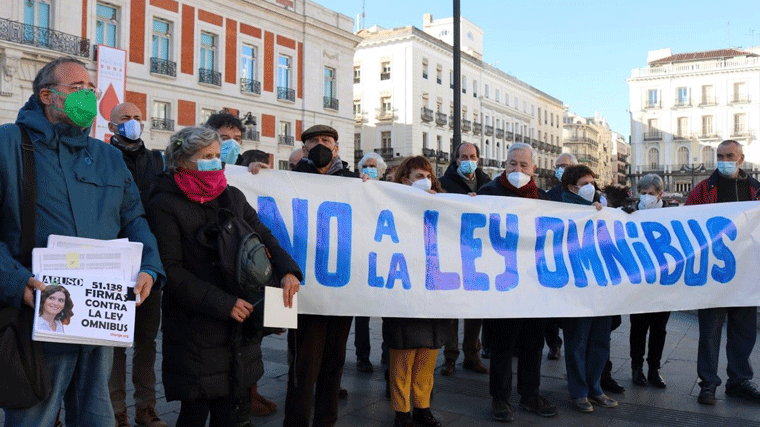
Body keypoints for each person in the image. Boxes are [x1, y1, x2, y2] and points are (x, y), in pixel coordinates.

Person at [0, 56, 163, 427]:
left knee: (95, 416)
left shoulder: (108, 156)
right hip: (34, 318)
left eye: (92, 90)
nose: (88, 97)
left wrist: (149, 268)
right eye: (77, 89)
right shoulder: (8, 143)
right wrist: (15, 281)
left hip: (97, 324)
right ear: (47, 95)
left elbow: (134, 220)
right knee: (32, 418)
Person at [147, 126, 302, 427]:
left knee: (234, 412)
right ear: (182, 161)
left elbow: (266, 236)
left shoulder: (231, 195)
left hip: (241, 324)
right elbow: (171, 270)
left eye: (217, 155)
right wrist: (222, 303)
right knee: (195, 410)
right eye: (206, 156)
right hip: (197, 326)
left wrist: (288, 270)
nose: (215, 161)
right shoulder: (164, 203)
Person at [283, 125, 358, 427]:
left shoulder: (354, 182)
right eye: (313, 141)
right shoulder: (289, 179)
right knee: (303, 364)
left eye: (326, 141)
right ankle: (296, 421)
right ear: (303, 150)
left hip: (341, 290)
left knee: (334, 361)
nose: (320, 145)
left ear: (337, 148)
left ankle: (326, 420)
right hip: (305, 288)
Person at [478, 143, 558, 422]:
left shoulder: (546, 199)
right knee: (502, 344)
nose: (517, 169)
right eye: (512, 164)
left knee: (534, 343)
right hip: (501, 284)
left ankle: (529, 394)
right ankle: (500, 399)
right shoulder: (487, 194)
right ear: (505, 165)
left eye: (523, 165)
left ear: (534, 168)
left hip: (535, 284)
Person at [685, 139, 760, 405]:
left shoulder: (755, 190)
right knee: (710, 332)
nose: (724, 160)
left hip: (747, 274)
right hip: (714, 274)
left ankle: (739, 381)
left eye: (729, 155)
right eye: (720, 155)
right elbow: (686, 221)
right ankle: (708, 384)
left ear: (741, 158)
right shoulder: (704, 189)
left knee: (744, 331)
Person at [107, 102, 168, 427]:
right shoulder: (103, 157)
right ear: (111, 125)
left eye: (137, 118)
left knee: (146, 340)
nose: (133, 123)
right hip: (113, 262)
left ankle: (147, 408)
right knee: (115, 342)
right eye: (125, 119)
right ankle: (117, 410)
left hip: (149, 262)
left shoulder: (158, 160)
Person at [385, 155, 448, 427]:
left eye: (427, 175)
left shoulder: (444, 203)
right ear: (404, 180)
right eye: (417, 175)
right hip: (403, 289)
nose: (424, 180)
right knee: (403, 353)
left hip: (432, 290)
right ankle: (402, 410)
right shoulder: (390, 203)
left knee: (427, 352)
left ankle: (423, 406)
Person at [559, 164, 616, 413]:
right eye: (585, 183)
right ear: (572, 187)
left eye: (592, 182)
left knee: (601, 341)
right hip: (576, 287)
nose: (590, 187)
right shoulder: (559, 207)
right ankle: (579, 392)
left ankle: (595, 387)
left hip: (600, 285)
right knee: (577, 343)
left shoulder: (600, 208)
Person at [437, 142, 491, 376]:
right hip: (451, 251)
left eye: (472, 155)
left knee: (475, 309)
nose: (468, 159)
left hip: (478, 254)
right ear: (456, 160)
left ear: (478, 159)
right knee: (451, 309)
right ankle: (450, 356)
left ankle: (472, 354)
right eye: (463, 156)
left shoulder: (488, 184)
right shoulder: (443, 183)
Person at [624, 174, 670, 389]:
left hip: (663, 282)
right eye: (643, 193)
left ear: (660, 194)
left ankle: (654, 369)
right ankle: (636, 368)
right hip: (639, 282)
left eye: (651, 194)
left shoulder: (673, 214)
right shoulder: (631, 213)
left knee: (659, 329)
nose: (646, 197)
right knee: (639, 327)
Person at [352, 152, 387, 373]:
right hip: (361, 258)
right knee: (361, 313)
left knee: (387, 311)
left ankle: (387, 352)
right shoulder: (354, 188)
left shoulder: (391, 190)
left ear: (381, 171)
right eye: (366, 166)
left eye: (374, 166)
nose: (370, 169)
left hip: (384, 258)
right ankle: (362, 356)